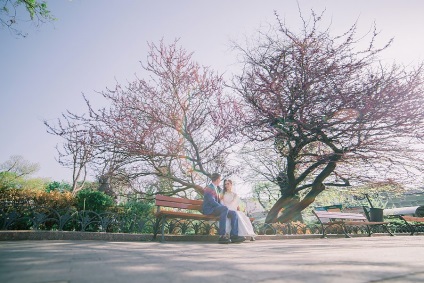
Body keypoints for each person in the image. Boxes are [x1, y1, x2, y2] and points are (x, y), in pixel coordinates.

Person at [202, 173, 246, 244]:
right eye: (220, 179)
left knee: (233, 213)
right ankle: (222, 236)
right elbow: (212, 202)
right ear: (217, 179)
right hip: (209, 209)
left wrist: (223, 208)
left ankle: (234, 235)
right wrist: (223, 207)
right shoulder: (209, 188)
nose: (220, 181)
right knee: (225, 209)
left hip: (215, 209)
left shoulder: (217, 188)